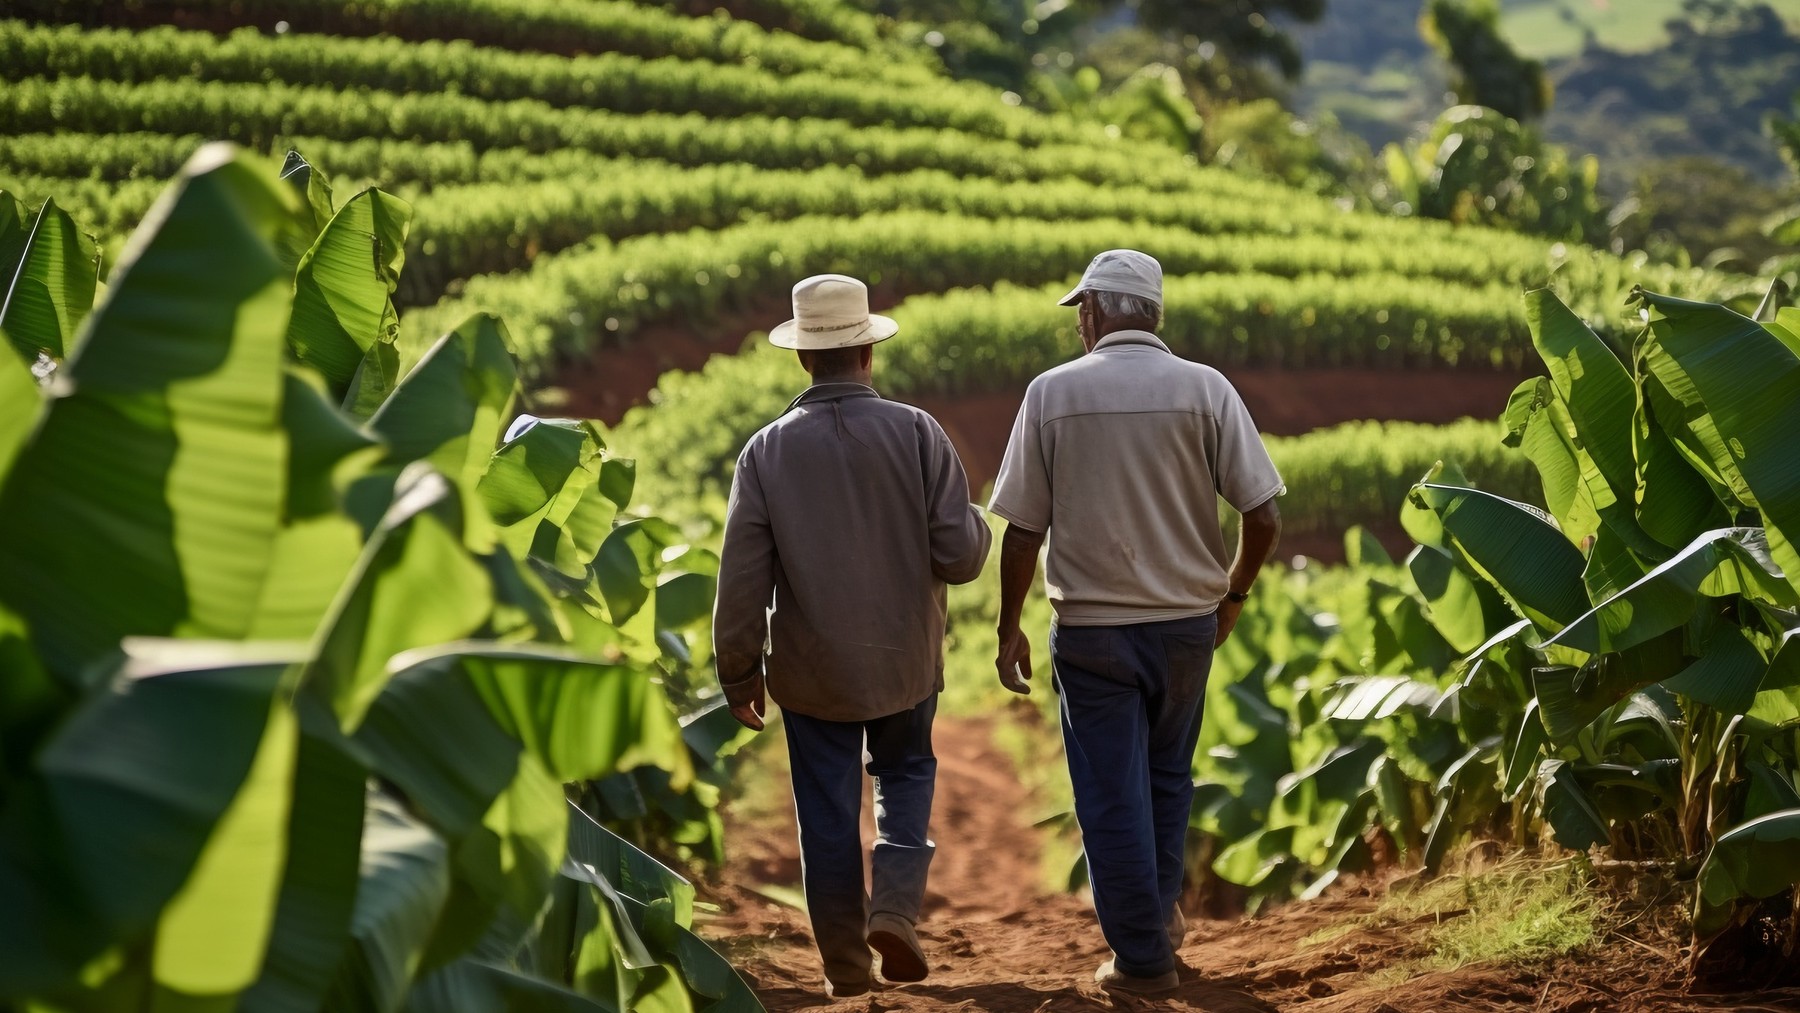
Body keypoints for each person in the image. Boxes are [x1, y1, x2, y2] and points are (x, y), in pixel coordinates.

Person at [988, 250, 1283, 994]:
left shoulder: (1051, 394)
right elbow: (1264, 512)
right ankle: (1157, 929)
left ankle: (1142, 959)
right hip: (1187, 626)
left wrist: (1007, 626)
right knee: (1165, 781)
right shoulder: (1206, 389)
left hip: (1092, 633)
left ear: (1092, 312)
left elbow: (1021, 530)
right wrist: (1234, 594)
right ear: (1152, 313)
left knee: (1109, 795)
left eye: (1080, 313)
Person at [712, 273, 992, 998]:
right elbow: (961, 558)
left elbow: (741, 580)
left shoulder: (764, 453)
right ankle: (895, 908)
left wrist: (739, 673)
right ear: (868, 351)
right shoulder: (920, 433)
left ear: (804, 358)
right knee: (903, 777)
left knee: (826, 815)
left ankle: (845, 967)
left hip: (811, 671)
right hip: (906, 659)